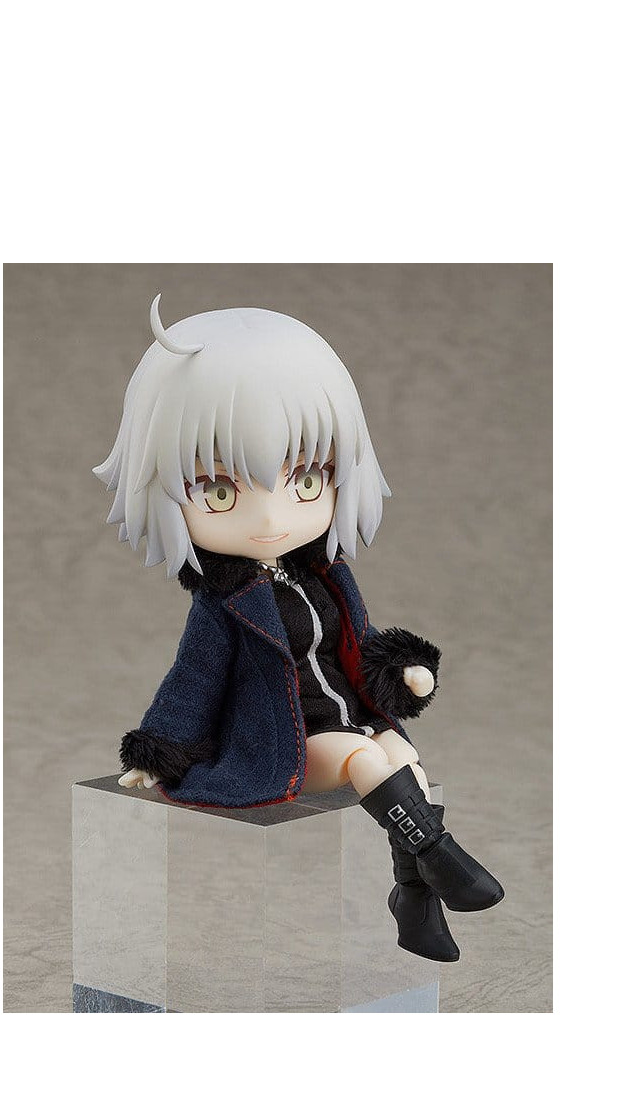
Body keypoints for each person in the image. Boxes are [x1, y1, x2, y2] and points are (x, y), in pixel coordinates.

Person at [93, 296, 503, 962]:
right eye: (220, 492)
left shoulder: (327, 576)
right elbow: (192, 680)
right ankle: (437, 855)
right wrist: (155, 753)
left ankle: (414, 897)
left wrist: (402, 671)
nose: (270, 519)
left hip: (353, 721)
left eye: (306, 479)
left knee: (404, 759)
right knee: (364, 760)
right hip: (284, 742)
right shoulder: (224, 604)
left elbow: (356, 646)